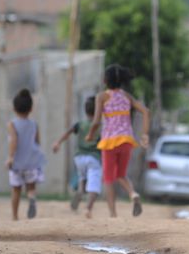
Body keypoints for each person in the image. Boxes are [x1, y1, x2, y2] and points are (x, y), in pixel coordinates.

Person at [86, 64, 149, 218]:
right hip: (127, 140)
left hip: (109, 142)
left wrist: (90, 135)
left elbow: (96, 122)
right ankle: (133, 194)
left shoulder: (102, 97)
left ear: (105, 80)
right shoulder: (127, 96)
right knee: (120, 174)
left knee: (108, 178)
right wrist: (144, 135)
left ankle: (113, 214)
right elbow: (146, 111)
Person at [52, 96, 103, 218]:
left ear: (85, 111)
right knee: (93, 184)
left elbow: (68, 132)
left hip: (79, 157)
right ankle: (88, 208)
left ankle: (80, 192)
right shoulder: (100, 126)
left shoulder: (80, 124)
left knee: (82, 178)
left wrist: (58, 142)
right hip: (93, 157)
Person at [5, 89, 45, 220]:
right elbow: (37, 141)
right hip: (32, 161)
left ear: (14, 108)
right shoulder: (34, 124)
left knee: (16, 189)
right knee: (31, 186)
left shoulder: (12, 124)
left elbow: (13, 141)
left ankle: (15, 216)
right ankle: (32, 198)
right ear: (31, 108)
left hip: (17, 162)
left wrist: (10, 157)